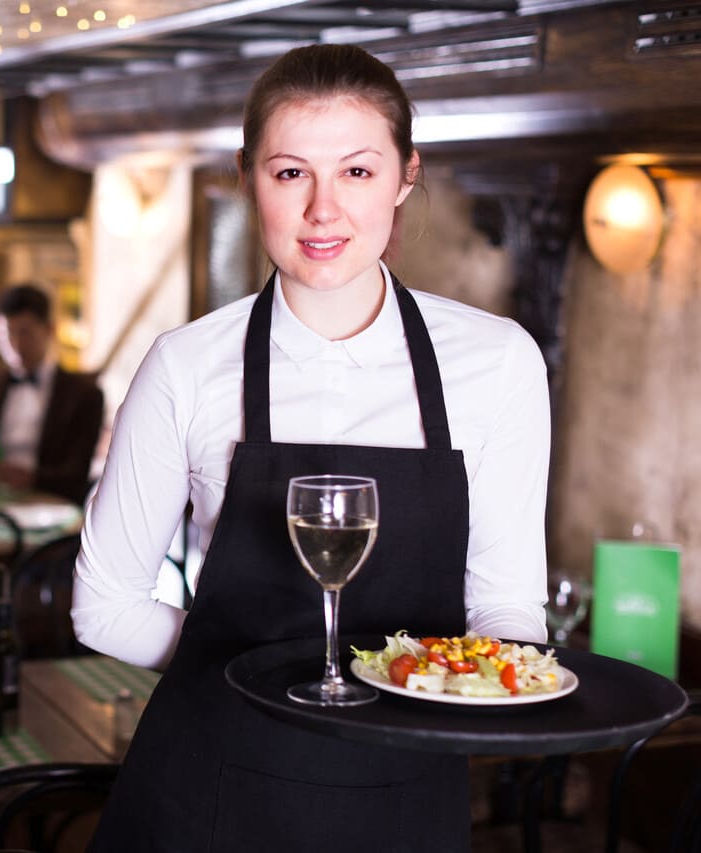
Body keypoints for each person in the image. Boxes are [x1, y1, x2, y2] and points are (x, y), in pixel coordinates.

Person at [71, 44, 550, 851]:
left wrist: (433, 679)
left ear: (404, 177)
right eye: (291, 173)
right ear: (247, 176)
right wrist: (245, 668)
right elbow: (104, 605)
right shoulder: (186, 366)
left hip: (406, 789)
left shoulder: (497, 361)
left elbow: (505, 609)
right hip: (209, 785)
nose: (323, 210)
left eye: (358, 172)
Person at [0, 283, 104, 505]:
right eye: (6, 335)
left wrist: (31, 479)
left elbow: (77, 473)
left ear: (49, 330)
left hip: (53, 503)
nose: (16, 345)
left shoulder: (84, 394)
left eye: (25, 333)